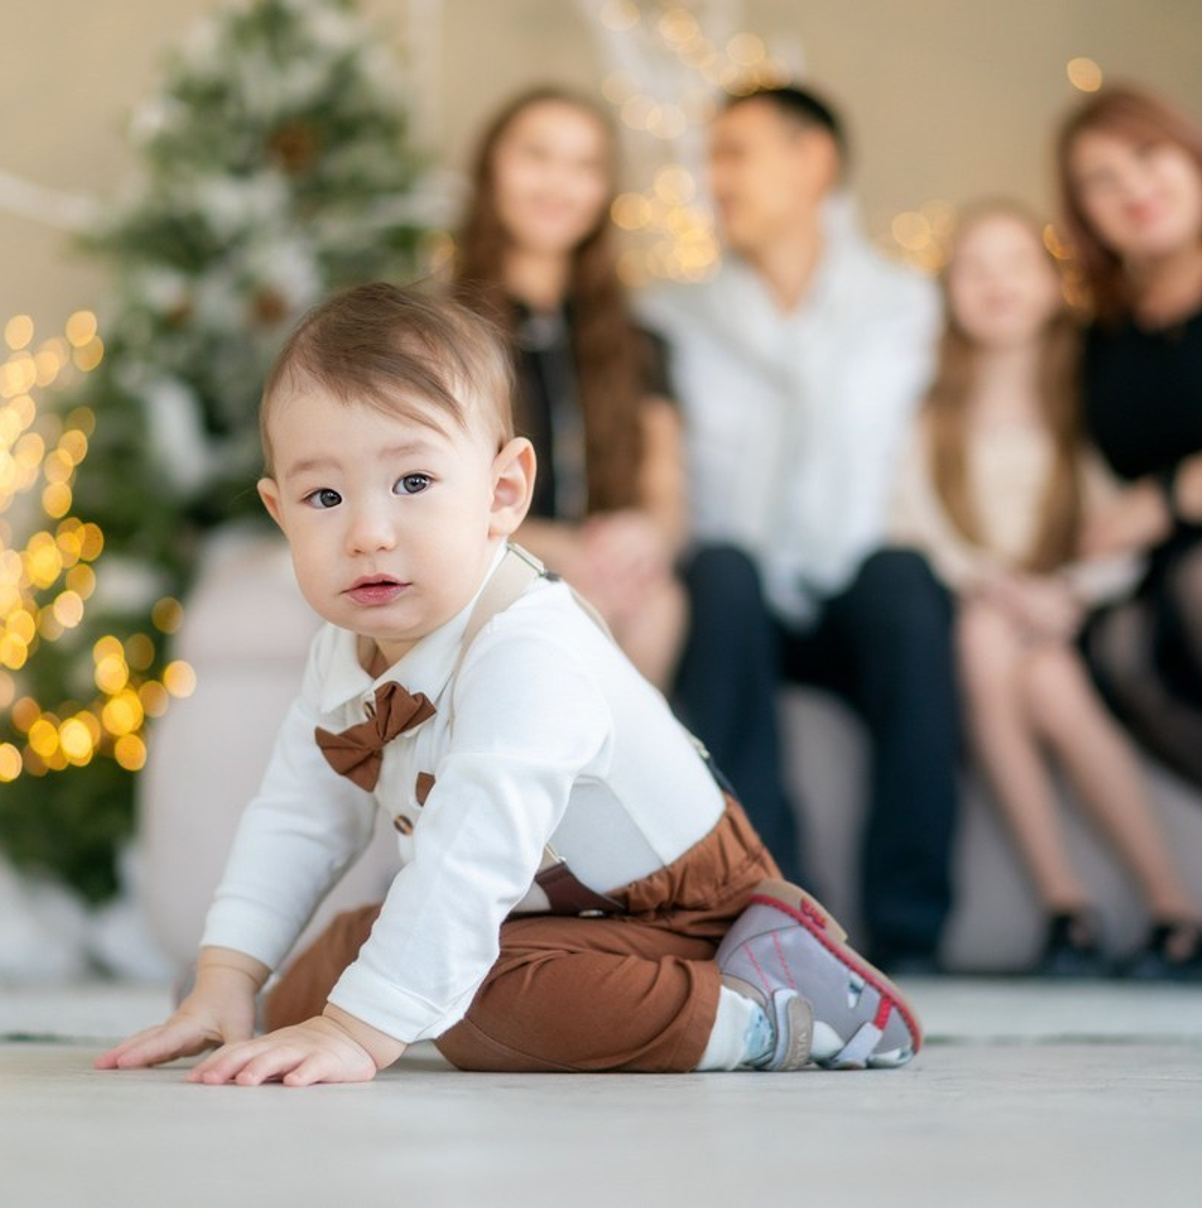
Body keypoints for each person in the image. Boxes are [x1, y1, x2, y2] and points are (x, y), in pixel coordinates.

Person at [95, 285, 920, 1084]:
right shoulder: (345, 647)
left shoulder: (528, 648)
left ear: (503, 493)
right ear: (281, 514)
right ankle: (257, 1012)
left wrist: (359, 1030)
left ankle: (767, 1002)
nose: (368, 533)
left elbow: (468, 860)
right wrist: (230, 977)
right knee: (350, 956)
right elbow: (296, 818)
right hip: (540, 911)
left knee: (469, 1003)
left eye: (412, 483)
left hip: (677, 911)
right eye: (325, 496)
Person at [641, 85, 960, 973]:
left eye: (736, 154)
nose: (716, 180)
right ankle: (786, 908)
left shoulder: (914, 312)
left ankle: (912, 931)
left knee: (906, 583)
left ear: (813, 160)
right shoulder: (674, 318)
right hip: (739, 605)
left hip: (852, 596)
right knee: (721, 569)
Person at [890, 203, 1202, 979]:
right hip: (988, 609)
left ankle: (1173, 909)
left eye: (1016, 265)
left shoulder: (1093, 391)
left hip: (1085, 610)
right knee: (989, 641)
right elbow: (916, 523)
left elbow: (1122, 519)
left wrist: (1071, 594)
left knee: (1048, 673)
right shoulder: (931, 405)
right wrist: (991, 585)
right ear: (949, 292)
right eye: (974, 268)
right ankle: (1066, 905)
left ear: (1052, 284)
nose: (996, 284)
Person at [453, 87, 783, 851]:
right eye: (536, 156)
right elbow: (432, 495)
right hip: (491, 561)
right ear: (492, 170)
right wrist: (561, 549)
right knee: (584, 608)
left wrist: (646, 532)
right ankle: (569, 843)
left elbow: (667, 493)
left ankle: (593, 843)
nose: (557, 183)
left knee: (659, 598)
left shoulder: (637, 339)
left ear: (604, 192)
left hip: (601, 573)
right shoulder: (439, 329)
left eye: (583, 165)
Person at [1057, 84, 1202, 869]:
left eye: (1147, 155)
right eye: (1101, 180)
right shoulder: (1104, 340)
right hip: (1177, 577)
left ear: (1193, 156)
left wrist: (1168, 497)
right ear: (1085, 216)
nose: (1134, 189)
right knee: (1113, 648)